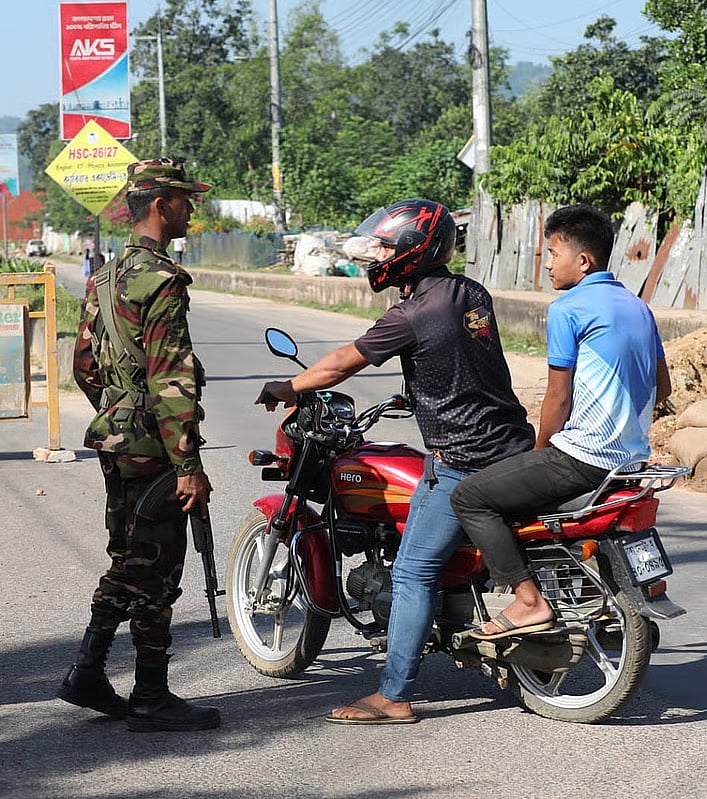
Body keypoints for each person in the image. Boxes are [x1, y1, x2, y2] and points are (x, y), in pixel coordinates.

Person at [255, 199, 534, 724]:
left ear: (411, 252)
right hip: (509, 442)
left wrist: (287, 386)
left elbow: (341, 363)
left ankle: (394, 694)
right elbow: (460, 360)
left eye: (384, 246)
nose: (375, 255)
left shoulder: (410, 315)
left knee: (411, 570)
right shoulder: (470, 294)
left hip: (464, 458)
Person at [450, 204, 672, 640]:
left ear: (583, 260)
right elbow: (662, 388)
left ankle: (529, 601)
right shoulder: (637, 306)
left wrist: (541, 451)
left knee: (470, 496)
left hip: (583, 458)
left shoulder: (569, 307)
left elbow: (558, 397)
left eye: (553, 253)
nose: (548, 263)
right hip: (629, 463)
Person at [58, 157, 220, 733]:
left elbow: (82, 364)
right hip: (153, 446)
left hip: (117, 436)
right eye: (184, 199)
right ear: (161, 204)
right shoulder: (161, 279)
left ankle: (89, 668)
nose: (190, 208)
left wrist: (118, 409)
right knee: (155, 567)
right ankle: (150, 693)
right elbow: (171, 377)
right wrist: (187, 464)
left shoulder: (104, 276)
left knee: (129, 557)